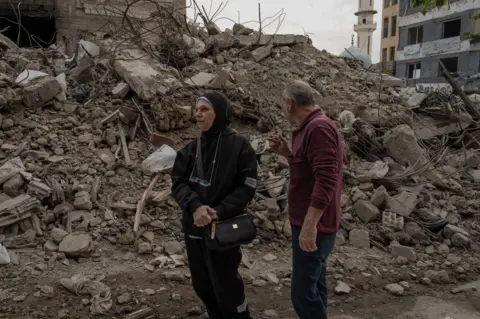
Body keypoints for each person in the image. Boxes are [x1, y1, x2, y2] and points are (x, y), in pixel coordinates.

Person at [171, 91, 258, 319]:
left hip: (224, 230)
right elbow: (178, 183)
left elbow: (247, 187)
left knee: (227, 285)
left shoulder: (240, 146)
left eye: (204, 109)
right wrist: (195, 207)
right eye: (196, 109)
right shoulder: (190, 149)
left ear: (218, 113)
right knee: (202, 285)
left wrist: (218, 211)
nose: (197, 114)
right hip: (195, 228)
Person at [268, 80, 343, 319]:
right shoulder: (308, 128)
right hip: (307, 222)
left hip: (315, 226)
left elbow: (326, 180)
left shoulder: (318, 128)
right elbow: (308, 170)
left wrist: (311, 226)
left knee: (301, 294)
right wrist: (286, 153)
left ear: (289, 104)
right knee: (315, 283)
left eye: (283, 103)